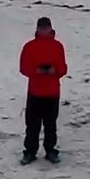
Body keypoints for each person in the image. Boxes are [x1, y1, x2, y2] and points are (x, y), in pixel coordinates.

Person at [19, 17, 67, 164]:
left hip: (52, 92)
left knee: (50, 125)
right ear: (37, 29)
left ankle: (50, 151)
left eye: (46, 28)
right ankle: (30, 152)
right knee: (32, 125)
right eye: (41, 28)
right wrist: (36, 71)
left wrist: (54, 71)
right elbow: (23, 67)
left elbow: (63, 68)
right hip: (35, 92)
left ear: (50, 28)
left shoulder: (58, 46)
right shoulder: (29, 47)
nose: (44, 30)